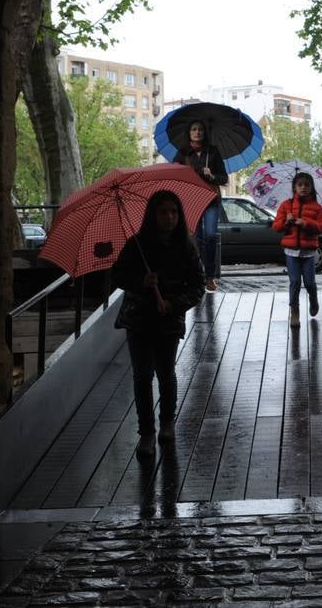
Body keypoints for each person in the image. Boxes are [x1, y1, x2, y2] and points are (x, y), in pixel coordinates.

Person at [111, 190, 206, 457]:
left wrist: (173, 304)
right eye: (163, 212)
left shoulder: (186, 247)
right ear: (153, 214)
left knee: (166, 373)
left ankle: (167, 422)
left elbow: (198, 285)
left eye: (174, 212)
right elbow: (118, 275)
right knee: (142, 376)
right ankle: (146, 433)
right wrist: (141, 282)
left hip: (168, 321)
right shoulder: (136, 245)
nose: (169, 217)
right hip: (138, 319)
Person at [175, 120, 228, 291]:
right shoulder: (183, 153)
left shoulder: (212, 152)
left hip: (211, 200)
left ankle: (210, 276)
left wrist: (211, 175)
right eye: (194, 129)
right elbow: (175, 176)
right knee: (196, 239)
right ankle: (198, 275)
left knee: (210, 235)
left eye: (200, 129)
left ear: (205, 133)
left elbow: (224, 178)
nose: (197, 132)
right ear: (189, 132)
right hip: (192, 201)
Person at [271, 171, 322, 328]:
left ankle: (313, 299)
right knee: (295, 282)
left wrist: (306, 223)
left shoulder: (317, 208)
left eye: (307, 185)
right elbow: (276, 226)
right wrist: (287, 223)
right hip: (291, 252)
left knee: (310, 282)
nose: (303, 188)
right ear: (294, 187)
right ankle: (294, 311)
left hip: (309, 253)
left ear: (311, 188)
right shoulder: (286, 205)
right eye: (300, 185)